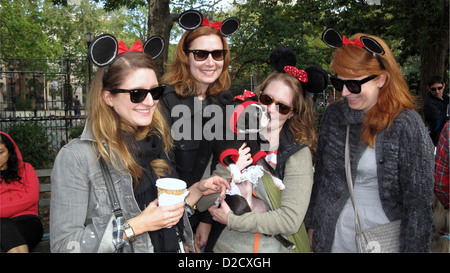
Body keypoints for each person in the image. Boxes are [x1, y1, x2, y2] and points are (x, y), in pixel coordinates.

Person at [50, 34, 229, 253]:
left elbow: (165, 213)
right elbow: (63, 246)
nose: (150, 102)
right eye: (137, 94)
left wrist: (197, 190)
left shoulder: (154, 143)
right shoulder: (77, 157)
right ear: (108, 97)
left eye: (155, 92)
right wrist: (138, 225)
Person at [306, 29, 435, 252]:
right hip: (334, 233)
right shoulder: (333, 116)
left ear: (381, 79)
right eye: (339, 83)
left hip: (382, 237)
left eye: (354, 84)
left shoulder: (407, 125)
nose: (345, 93)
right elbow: (322, 181)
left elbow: (419, 206)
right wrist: (312, 225)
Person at [200, 49, 325, 252]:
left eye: (282, 107)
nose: (270, 109)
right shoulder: (232, 134)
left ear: (293, 114)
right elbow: (203, 202)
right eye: (267, 99)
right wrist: (229, 167)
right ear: (258, 96)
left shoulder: (297, 154)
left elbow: (289, 221)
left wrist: (232, 220)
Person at [159, 10, 239, 252]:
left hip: (208, 216)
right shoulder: (165, 102)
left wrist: (205, 220)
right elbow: (161, 170)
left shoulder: (224, 103)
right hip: (169, 218)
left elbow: (223, 164)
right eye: (201, 54)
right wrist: (182, 229)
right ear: (186, 57)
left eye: (217, 54)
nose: (210, 62)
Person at [0, 131, 43, 253]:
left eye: (1, 152)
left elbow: (32, 197)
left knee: (4, 227)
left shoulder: (26, 169)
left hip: (28, 223)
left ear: (10, 151)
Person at [423, 75, 449, 145]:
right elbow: (438, 124)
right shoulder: (429, 104)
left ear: (443, 86)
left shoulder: (446, 98)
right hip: (438, 140)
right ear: (429, 89)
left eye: (439, 88)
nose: (437, 91)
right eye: (433, 89)